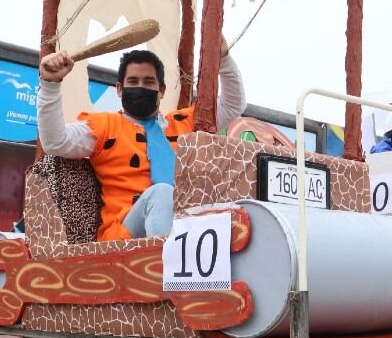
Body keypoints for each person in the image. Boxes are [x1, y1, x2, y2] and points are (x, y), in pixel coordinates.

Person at [36, 41, 246, 241]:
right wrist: (50, 84)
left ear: (161, 90)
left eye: (148, 82)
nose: (140, 87)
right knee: (162, 193)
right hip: (124, 236)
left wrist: (224, 58)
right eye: (133, 82)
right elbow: (55, 141)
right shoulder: (105, 126)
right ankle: (165, 269)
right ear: (120, 89)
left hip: (186, 227)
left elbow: (233, 105)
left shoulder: (184, 123)